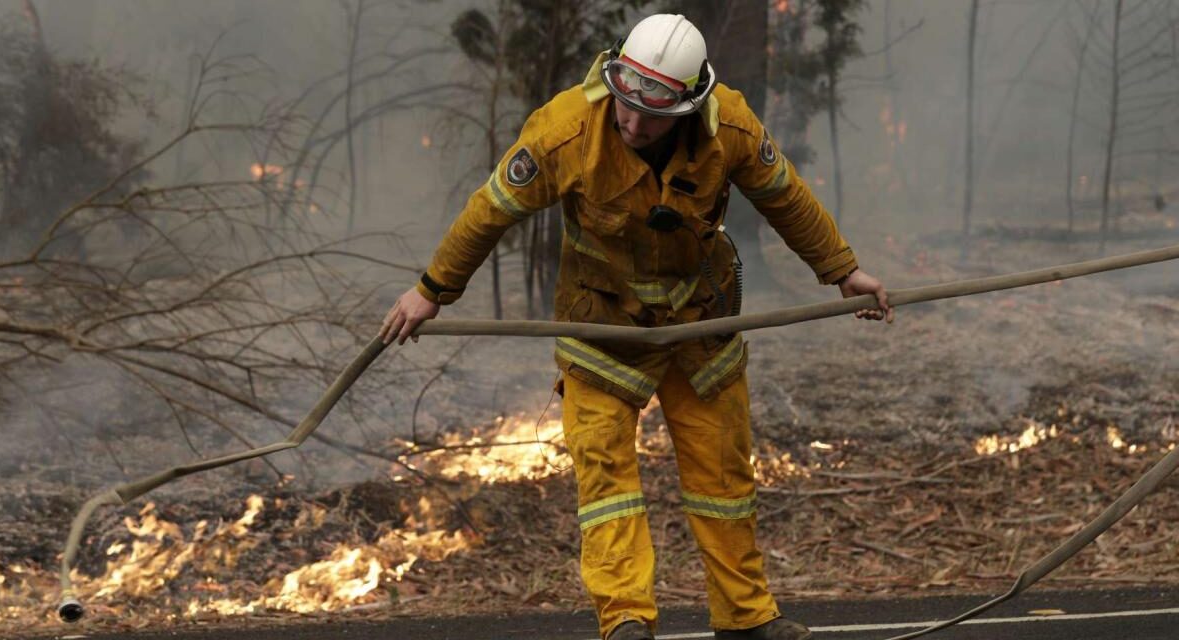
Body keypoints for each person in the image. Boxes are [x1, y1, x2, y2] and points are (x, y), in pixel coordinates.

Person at [380, 13, 892, 640]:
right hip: (604, 331)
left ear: (688, 104)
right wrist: (433, 289)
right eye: (624, 103)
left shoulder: (728, 125)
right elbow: (490, 210)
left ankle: (746, 617)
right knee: (607, 480)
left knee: (724, 479)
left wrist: (844, 270)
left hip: (701, 326)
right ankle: (625, 620)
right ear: (614, 78)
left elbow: (785, 196)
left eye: (651, 114)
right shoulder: (567, 131)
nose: (632, 122)